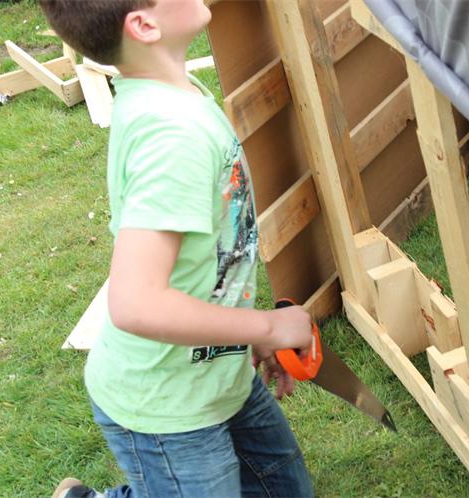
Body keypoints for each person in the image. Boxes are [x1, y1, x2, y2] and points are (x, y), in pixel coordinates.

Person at [38, 1, 316, 496]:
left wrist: (243, 333)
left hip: (216, 369)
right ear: (145, 26)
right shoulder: (173, 136)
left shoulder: (166, 93)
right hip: (166, 402)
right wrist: (268, 326)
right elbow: (137, 303)